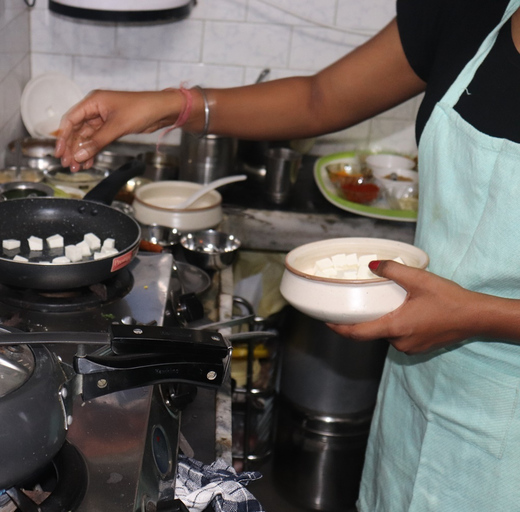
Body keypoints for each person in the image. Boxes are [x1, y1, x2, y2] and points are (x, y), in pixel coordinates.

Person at [54, 0, 520, 509]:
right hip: (423, 385)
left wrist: (479, 315)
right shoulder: (472, 11)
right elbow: (321, 98)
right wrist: (171, 105)